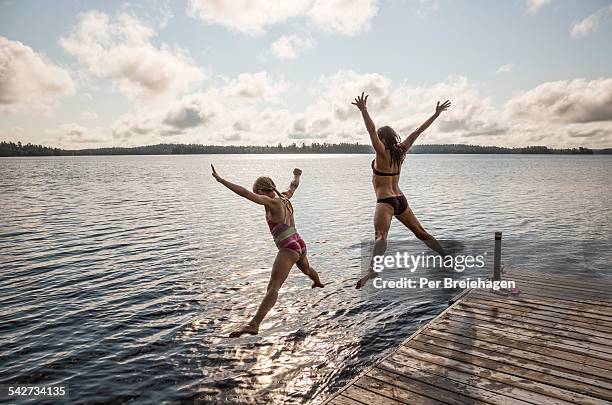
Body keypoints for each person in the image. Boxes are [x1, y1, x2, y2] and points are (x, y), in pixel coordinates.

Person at [211, 165, 324, 337]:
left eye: (258, 192)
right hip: (299, 242)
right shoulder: (285, 197)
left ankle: (254, 324)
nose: (257, 195)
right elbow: (293, 186)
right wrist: (296, 175)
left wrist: (222, 180)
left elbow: (245, 193)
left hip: (288, 246)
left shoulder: (271, 201)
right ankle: (318, 282)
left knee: (273, 286)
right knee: (307, 270)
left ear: (263, 190)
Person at [352, 92, 451, 289]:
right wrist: (436, 114)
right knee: (421, 232)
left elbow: (371, 131)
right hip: (400, 199)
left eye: (379, 138)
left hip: (386, 202)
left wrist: (364, 110)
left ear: (381, 139)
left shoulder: (381, 153)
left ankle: (374, 269)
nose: (376, 140)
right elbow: (417, 132)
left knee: (380, 236)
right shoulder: (401, 152)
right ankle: (446, 257)